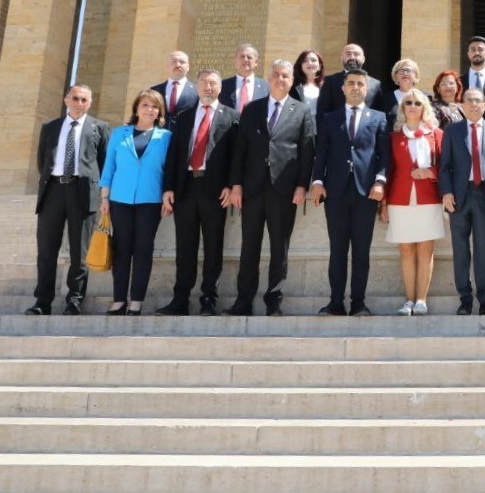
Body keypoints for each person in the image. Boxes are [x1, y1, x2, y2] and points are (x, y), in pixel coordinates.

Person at [227, 59, 316, 317]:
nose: (280, 79)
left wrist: (302, 185)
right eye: (276, 75)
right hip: (252, 189)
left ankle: (273, 302)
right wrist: (236, 185)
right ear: (268, 78)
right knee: (249, 247)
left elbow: (306, 152)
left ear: (292, 80)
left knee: (280, 247)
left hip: (284, 190)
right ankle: (244, 301)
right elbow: (239, 151)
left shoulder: (301, 111)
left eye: (285, 76)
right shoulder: (252, 109)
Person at [157, 67, 240, 316]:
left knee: (213, 247)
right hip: (185, 188)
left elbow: (236, 156)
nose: (208, 87)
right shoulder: (183, 117)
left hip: (215, 190)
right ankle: (180, 299)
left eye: (213, 83)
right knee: (185, 247)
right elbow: (173, 156)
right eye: (203, 82)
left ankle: (208, 299)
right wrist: (168, 187)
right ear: (196, 86)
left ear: (220, 88)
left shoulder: (232, 117)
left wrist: (231, 184)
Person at [310, 68, 390, 316]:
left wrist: (380, 181)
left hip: (366, 192)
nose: (356, 87)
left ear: (367, 89)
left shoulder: (378, 118)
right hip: (334, 191)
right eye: (351, 83)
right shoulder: (330, 118)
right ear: (343, 88)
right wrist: (316, 181)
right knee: (337, 250)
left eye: (360, 84)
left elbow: (384, 154)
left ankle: (358, 302)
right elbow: (321, 152)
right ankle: (336, 302)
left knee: (361, 251)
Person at [26, 84, 111, 316]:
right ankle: (42, 301)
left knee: (79, 251)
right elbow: (42, 160)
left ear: (90, 102)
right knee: (46, 250)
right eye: (75, 98)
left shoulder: (100, 128)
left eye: (84, 100)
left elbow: (104, 164)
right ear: (66, 100)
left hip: (82, 192)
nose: (79, 103)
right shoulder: (50, 127)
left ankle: (74, 299)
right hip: (53, 191)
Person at [99, 89, 173, 316]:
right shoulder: (119, 134)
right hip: (119, 199)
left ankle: (136, 301)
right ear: (136, 108)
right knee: (122, 250)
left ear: (160, 111)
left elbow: (169, 169)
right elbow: (109, 166)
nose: (149, 109)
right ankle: (119, 299)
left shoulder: (166, 137)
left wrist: (167, 195)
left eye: (154, 106)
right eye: (145, 105)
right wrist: (104, 198)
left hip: (150, 200)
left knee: (143, 249)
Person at [439, 88, 485, 315]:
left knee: (483, 249)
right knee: (460, 250)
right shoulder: (452, 131)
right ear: (462, 105)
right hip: (458, 197)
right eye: (469, 100)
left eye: (478, 101)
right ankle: (465, 299)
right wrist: (447, 193)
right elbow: (444, 167)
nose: (473, 104)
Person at [382, 88, 446, 315]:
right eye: (407, 102)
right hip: (399, 199)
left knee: (426, 249)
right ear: (402, 108)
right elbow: (388, 170)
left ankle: (421, 300)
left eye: (417, 103)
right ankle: (408, 300)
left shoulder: (436, 134)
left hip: (429, 198)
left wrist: (430, 172)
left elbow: (447, 167)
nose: (412, 106)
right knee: (406, 250)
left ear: (424, 108)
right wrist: (384, 202)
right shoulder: (394, 137)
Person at [317, 43, 383, 128]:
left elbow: (378, 113)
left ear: (363, 59)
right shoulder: (330, 81)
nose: (352, 57)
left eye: (356, 54)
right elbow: (322, 112)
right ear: (342, 58)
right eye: (348, 54)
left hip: (365, 135)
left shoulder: (375, 84)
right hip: (336, 135)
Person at [150, 50, 197, 128]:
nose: (178, 65)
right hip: (158, 136)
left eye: (182, 62)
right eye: (174, 61)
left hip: (184, 137)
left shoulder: (197, 91)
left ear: (188, 67)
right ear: (168, 66)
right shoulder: (154, 90)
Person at [220, 43, 269, 110]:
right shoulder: (223, 85)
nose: (245, 60)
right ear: (235, 61)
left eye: (249, 57)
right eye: (242, 56)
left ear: (256, 62)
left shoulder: (266, 86)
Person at [382, 58, 422, 125]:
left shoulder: (424, 97)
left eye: (408, 70)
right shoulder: (385, 98)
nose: (405, 73)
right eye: (401, 71)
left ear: (416, 75)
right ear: (396, 76)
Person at [291, 49, 324, 118]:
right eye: (305, 61)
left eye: (313, 60)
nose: (310, 63)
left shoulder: (326, 86)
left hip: (321, 126)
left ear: (320, 65)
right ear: (300, 66)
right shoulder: (292, 86)